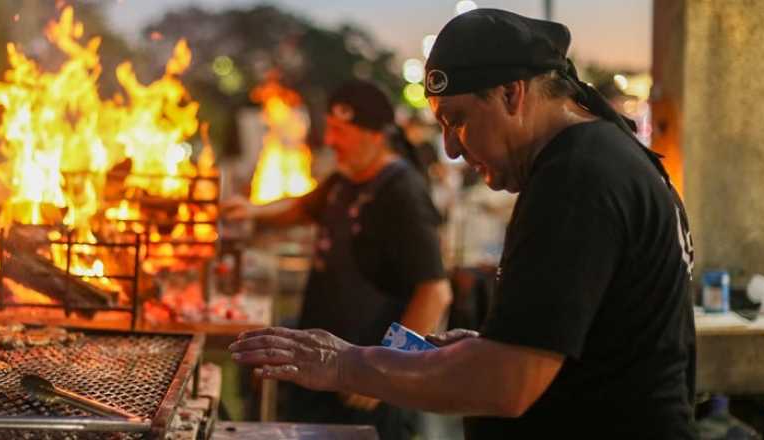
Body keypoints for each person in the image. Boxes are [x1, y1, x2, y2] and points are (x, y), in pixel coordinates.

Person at [229, 9, 697, 439]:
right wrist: (486, 349)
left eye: (458, 120)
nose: (452, 149)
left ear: (512, 94)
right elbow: (588, 348)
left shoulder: (577, 177)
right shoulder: (605, 158)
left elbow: (508, 384)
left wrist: (344, 364)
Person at [222, 80, 453, 440]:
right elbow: (301, 208)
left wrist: (386, 369)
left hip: (363, 379)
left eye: (341, 132)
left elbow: (435, 292)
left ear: (375, 135)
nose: (330, 141)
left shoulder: (402, 192)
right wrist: (251, 211)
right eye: (329, 129)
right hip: (323, 365)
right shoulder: (345, 180)